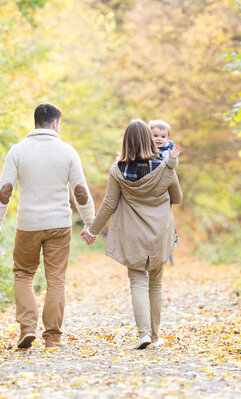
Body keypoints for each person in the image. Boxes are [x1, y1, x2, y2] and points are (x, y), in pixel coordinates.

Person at [0, 102, 95, 350]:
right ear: (56, 123)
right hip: (59, 224)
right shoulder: (68, 151)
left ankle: (27, 329)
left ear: (35, 122)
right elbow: (81, 192)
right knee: (56, 279)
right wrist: (90, 223)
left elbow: (4, 191)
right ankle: (52, 337)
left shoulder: (17, 151)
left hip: (28, 224)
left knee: (23, 274)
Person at [81, 119, 182, 350]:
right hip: (159, 233)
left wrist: (92, 230)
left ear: (126, 143)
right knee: (155, 284)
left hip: (133, 235)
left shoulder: (118, 170)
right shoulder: (165, 166)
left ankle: (143, 334)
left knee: (137, 281)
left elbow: (108, 204)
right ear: (149, 140)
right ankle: (155, 337)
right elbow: (177, 198)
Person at [149, 119, 180, 264]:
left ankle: (170, 242)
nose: (159, 139)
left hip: (163, 188)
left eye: (162, 137)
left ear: (168, 138)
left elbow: (171, 166)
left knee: (166, 218)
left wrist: (173, 158)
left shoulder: (168, 151)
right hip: (149, 187)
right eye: (155, 136)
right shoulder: (146, 148)